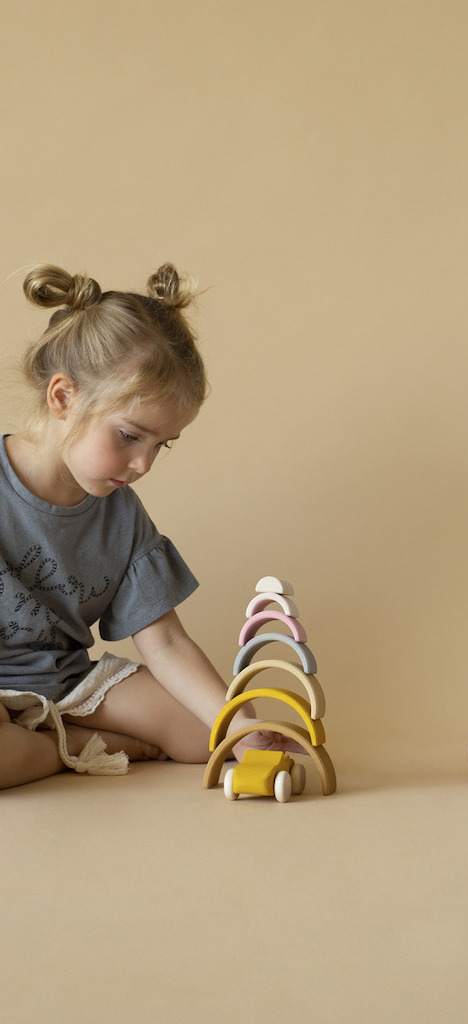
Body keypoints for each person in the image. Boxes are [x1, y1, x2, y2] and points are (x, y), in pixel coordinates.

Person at [0, 263, 295, 790]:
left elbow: (166, 644)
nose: (144, 464)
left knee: (199, 735)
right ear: (64, 397)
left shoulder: (121, 513)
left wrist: (242, 727)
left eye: (162, 444)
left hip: (68, 683)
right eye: (130, 436)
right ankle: (73, 750)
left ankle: (66, 736)